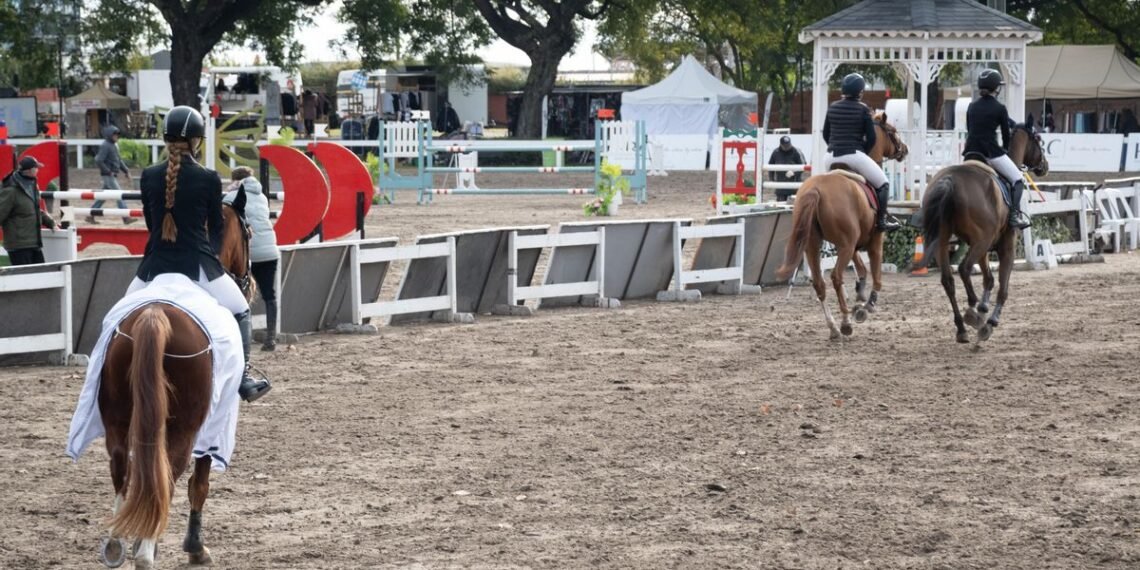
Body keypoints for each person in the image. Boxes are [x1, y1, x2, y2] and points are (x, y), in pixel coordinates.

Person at [126, 105, 272, 402]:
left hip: (153, 267)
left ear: (165, 139)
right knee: (241, 310)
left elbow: (152, 226)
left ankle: (105, 376)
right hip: (199, 266)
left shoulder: (149, 176)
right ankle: (243, 378)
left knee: (116, 320)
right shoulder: (208, 178)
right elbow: (217, 230)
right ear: (197, 141)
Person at [822, 72, 899, 232]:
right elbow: (871, 138)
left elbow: (825, 134)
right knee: (883, 184)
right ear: (860, 92)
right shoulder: (863, 109)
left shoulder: (833, 107)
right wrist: (862, 152)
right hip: (854, 156)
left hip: (830, 157)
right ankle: (881, 221)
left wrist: (835, 146)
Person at [963, 69, 1029, 230]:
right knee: (1018, 179)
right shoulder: (1000, 108)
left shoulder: (971, 106)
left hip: (970, 152)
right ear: (996, 88)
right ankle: (1014, 215)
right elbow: (1007, 137)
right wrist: (1005, 150)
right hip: (990, 153)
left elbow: (969, 128)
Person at [224, 167, 280, 351]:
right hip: (270, 249)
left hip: (247, 252)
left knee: (239, 297)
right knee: (269, 295)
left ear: (236, 181)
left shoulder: (232, 197)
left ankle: (241, 339)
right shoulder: (262, 196)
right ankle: (271, 338)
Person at [0, 156, 57, 265]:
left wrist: (50, 222)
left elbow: (34, 209)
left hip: (33, 243)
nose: (38, 170)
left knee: (40, 275)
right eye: (36, 168)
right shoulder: (11, 191)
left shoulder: (32, 185)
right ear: (30, 171)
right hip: (19, 245)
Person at [89, 125, 136, 225]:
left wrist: (126, 171)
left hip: (111, 174)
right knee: (119, 194)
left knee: (102, 197)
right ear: (109, 135)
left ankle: (90, 214)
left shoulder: (114, 145)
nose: (117, 137)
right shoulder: (105, 145)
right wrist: (108, 171)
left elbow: (118, 160)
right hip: (108, 175)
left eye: (117, 135)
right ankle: (125, 217)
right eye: (115, 135)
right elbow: (98, 160)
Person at [768, 135, 806, 202]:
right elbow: (770, 166)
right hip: (780, 187)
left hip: (794, 186)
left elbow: (803, 166)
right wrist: (771, 179)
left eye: (788, 145)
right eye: (785, 146)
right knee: (780, 207)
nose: (787, 147)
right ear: (781, 145)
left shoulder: (796, 152)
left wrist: (794, 172)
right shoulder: (775, 152)